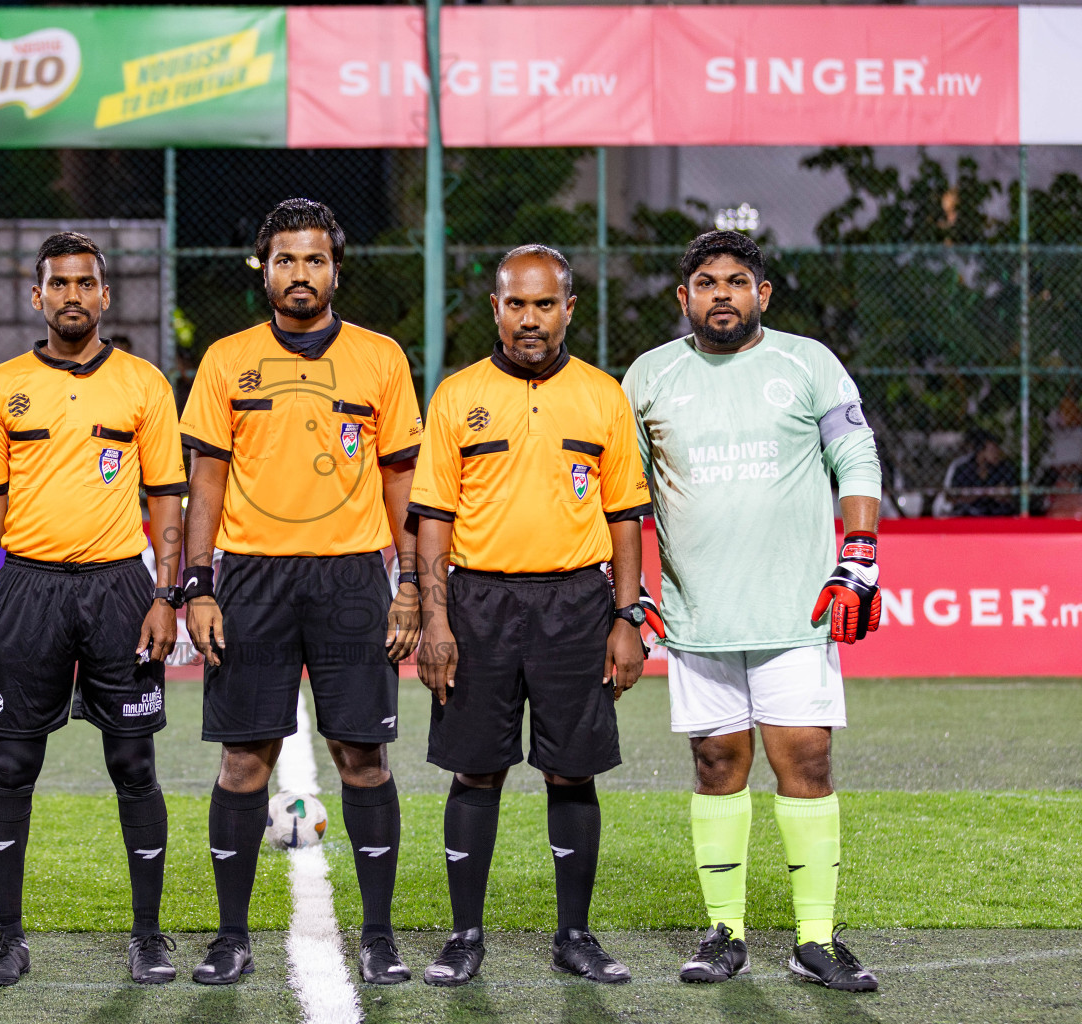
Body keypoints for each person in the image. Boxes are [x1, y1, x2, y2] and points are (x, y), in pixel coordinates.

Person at [622, 230, 883, 992]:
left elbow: (856, 457)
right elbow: (623, 496)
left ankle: (814, 938)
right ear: (685, 298)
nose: (722, 294)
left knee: (805, 761)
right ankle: (724, 932)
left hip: (793, 612)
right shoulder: (649, 377)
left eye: (738, 281)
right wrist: (627, 592)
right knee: (716, 766)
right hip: (696, 617)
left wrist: (859, 554)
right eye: (706, 282)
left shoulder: (807, 363)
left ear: (762, 294)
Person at [178, 198, 423, 986]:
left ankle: (379, 936)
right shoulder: (225, 360)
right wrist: (200, 586)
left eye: (315, 259)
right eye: (285, 259)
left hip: (352, 576)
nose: (300, 274)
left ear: (335, 269)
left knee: (363, 756)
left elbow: (400, 481)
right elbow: (204, 485)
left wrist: (410, 583)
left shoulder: (381, 359)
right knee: (244, 761)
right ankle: (229, 937)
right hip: (250, 578)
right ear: (265, 268)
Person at [408, 245, 650, 987]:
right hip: (477, 605)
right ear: (496, 309)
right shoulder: (456, 396)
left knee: (571, 773)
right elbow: (433, 520)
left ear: (569, 309)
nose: (530, 319)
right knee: (474, 772)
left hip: (576, 604)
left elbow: (626, 516)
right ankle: (464, 936)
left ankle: (575, 937)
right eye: (516, 304)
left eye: (545, 305)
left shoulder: (604, 395)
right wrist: (435, 621)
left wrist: (627, 616)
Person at [0, 232, 187, 986]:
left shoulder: (145, 384)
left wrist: (166, 593)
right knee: (15, 762)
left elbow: (166, 501)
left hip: (121, 585)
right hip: (26, 587)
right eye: (58, 284)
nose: (72, 296)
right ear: (37, 296)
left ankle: (149, 936)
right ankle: (7, 937)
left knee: (133, 761)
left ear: (105, 296)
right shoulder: (1, 387)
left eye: (85, 284)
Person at [941, 429, 1019, 517]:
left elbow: (1010, 495)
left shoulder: (1004, 468)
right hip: (969, 511)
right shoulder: (963, 468)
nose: (997, 453)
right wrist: (980, 493)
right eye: (992, 450)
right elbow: (950, 498)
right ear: (981, 452)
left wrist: (1001, 494)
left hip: (995, 512)